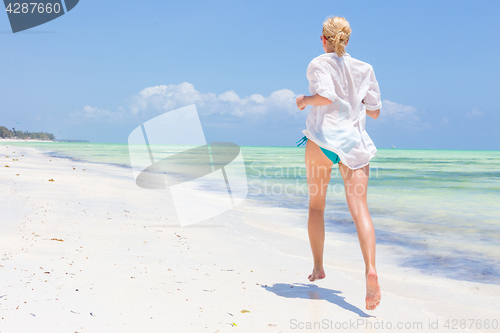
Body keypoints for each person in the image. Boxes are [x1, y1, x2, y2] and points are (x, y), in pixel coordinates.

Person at [295, 16, 382, 311]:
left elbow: (325, 96)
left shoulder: (319, 63)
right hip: (354, 145)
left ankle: (318, 267)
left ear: (323, 39)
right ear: (347, 39)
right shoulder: (365, 68)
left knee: (316, 206)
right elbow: (375, 112)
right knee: (361, 212)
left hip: (322, 141)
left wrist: (304, 100)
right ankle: (370, 268)